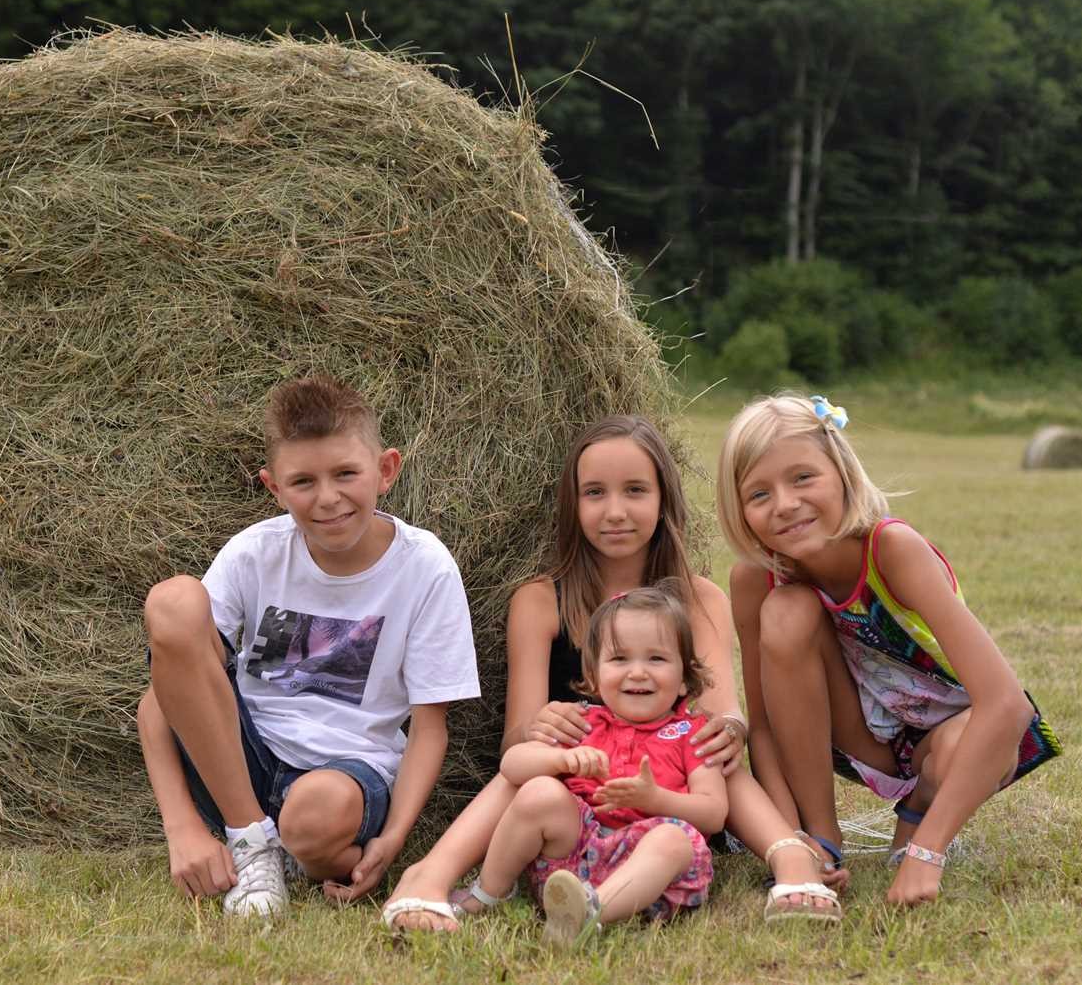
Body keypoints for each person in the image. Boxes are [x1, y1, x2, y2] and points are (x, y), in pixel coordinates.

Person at [382, 416, 840, 932]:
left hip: (670, 801)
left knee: (710, 744)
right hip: (572, 800)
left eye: (636, 491)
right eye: (595, 493)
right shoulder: (540, 601)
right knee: (530, 770)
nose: (615, 511)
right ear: (572, 507)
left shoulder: (698, 598)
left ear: (664, 499)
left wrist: (728, 727)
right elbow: (514, 743)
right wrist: (541, 728)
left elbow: (721, 712)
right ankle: (429, 877)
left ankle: (789, 858)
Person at [136, 374, 480, 917]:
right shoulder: (255, 553)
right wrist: (181, 827)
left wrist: (391, 839)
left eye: (346, 474)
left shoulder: (425, 566)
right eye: (303, 482)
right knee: (173, 601)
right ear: (274, 488)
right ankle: (252, 844)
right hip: (237, 764)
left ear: (385, 470)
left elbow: (430, 725)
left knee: (314, 815)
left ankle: (292, 847)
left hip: (346, 774)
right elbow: (162, 696)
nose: (328, 498)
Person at [717, 393, 1062, 907]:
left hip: (950, 735)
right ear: (738, 510)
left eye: (803, 478)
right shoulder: (753, 580)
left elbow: (1008, 706)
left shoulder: (892, 549)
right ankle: (826, 836)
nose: (785, 504)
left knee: (954, 756)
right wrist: (792, 840)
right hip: (859, 735)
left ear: (841, 473)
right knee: (785, 611)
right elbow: (763, 727)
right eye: (759, 494)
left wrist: (928, 852)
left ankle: (920, 811)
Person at [463, 583, 726, 945]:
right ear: (594, 676)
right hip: (572, 860)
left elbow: (714, 813)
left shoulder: (691, 733)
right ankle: (487, 894)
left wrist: (656, 800)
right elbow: (512, 765)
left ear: (684, 679)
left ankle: (590, 912)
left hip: (649, 877)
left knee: (673, 840)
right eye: (620, 659)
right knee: (540, 791)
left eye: (656, 659)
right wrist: (560, 758)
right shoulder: (582, 721)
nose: (637, 672)